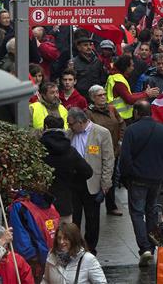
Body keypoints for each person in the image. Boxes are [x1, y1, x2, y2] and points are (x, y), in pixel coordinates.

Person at [120, 100, 163, 266]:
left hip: (137, 179)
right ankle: (151, 244)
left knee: (137, 213)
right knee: (151, 212)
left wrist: (125, 178)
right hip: (157, 179)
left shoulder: (131, 130)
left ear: (136, 113)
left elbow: (125, 158)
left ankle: (145, 248)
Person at [67, 108, 114, 255]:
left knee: (92, 218)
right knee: (74, 218)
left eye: (71, 124)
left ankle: (90, 248)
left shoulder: (102, 133)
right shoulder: (69, 134)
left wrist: (106, 184)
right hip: (73, 182)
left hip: (92, 182)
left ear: (81, 122)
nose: (69, 127)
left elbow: (108, 160)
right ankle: (75, 246)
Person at [40, 115, 93, 222]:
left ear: (45, 127)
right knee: (66, 235)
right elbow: (88, 172)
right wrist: (71, 179)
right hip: (64, 203)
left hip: (43, 203)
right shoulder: (70, 150)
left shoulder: (38, 149)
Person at [86, 85, 125, 216]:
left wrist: (120, 141)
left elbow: (121, 124)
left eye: (104, 94)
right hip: (96, 152)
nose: (103, 97)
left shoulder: (112, 109)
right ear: (92, 98)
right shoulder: (88, 113)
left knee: (112, 178)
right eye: (99, 95)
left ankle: (111, 205)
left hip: (113, 149)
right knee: (95, 178)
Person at [106, 54, 160, 122]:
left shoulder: (116, 77)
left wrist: (145, 93)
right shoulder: (118, 80)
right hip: (120, 118)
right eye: (131, 65)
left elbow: (129, 95)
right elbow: (129, 99)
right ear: (126, 67)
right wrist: (146, 94)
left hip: (117, 116)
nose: (133, 68)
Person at [71, 33, 108, 100]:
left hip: (96, 97)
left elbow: (103, 79)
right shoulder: (73, 63)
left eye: (90, 45)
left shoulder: (97, 61)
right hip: (81, 97)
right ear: (79, 47)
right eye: (85, 45)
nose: (89, 47)